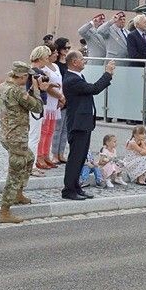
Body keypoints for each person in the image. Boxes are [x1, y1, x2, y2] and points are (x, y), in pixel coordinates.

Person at [0, 61, 48, 223]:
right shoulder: (18, 92)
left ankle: (18, 193)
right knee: (15, 173)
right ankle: (4, 211)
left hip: (5, 134)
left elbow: (19, 105)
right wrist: (38, 91)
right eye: (28, 76)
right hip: (17, 137)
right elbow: (38, 107)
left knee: (29, 158)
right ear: (23, 76)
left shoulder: (2, 87)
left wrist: (30, 90)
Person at [60, 51, 114, 200]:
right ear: (74, 62)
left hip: (84, 123)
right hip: (78, 124)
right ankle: (69, 190)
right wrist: (107, 74)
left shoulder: (77, 76)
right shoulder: (72, 79)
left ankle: (76, 187)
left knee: (81, 157)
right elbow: (94, 89)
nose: (84, 61)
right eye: (82, 59)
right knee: (75, 158)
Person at [27, 46, 53, 176]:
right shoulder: (37, 73)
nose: (47, 60)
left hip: (31, 105)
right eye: (46, 57)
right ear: (40, 57)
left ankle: (29, 164)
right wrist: (46, 85)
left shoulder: (29, 71)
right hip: (36, 106)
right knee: (34, 137)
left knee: (32, 136)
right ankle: (31, 166)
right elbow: (41, 88)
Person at [49, 38, 72, 164]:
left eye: (69, 48)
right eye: (65, 48)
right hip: (60, 96)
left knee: (65, 129)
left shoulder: (68, 63)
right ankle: (54, 153)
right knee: (57, 128)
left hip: (69, 96)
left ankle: (61, 152)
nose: (67, 51)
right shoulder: (57, 65)